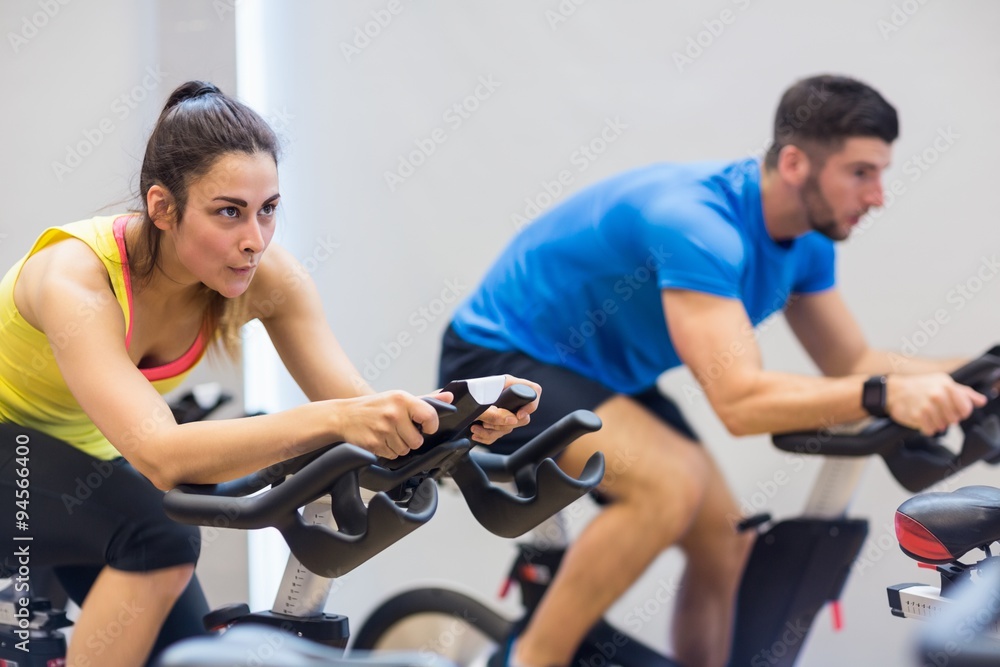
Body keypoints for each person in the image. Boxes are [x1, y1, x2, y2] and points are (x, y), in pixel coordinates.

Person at [439, 74, 989, 667]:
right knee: (665, 489)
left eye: (881, 173)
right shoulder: (699, 224)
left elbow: (850, 363)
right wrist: (884, 396)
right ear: (797, 162)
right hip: (505, 358)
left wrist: (979, 372)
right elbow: (740, 402)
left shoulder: (807, 240)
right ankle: (531, 660)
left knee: (728, 537)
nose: (879, 194)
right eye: (861, 173)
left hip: (605, 374)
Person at [0, 81, 539, 667]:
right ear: (161, 207)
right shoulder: (74, 279)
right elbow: (163, 456)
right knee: (160, 539)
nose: (254, 240)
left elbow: (354, 402)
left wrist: (446, 422)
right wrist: (342, 419)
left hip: (79, 455)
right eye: (228, 212)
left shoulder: (265, 275)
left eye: (268, 210)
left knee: (190, 656)